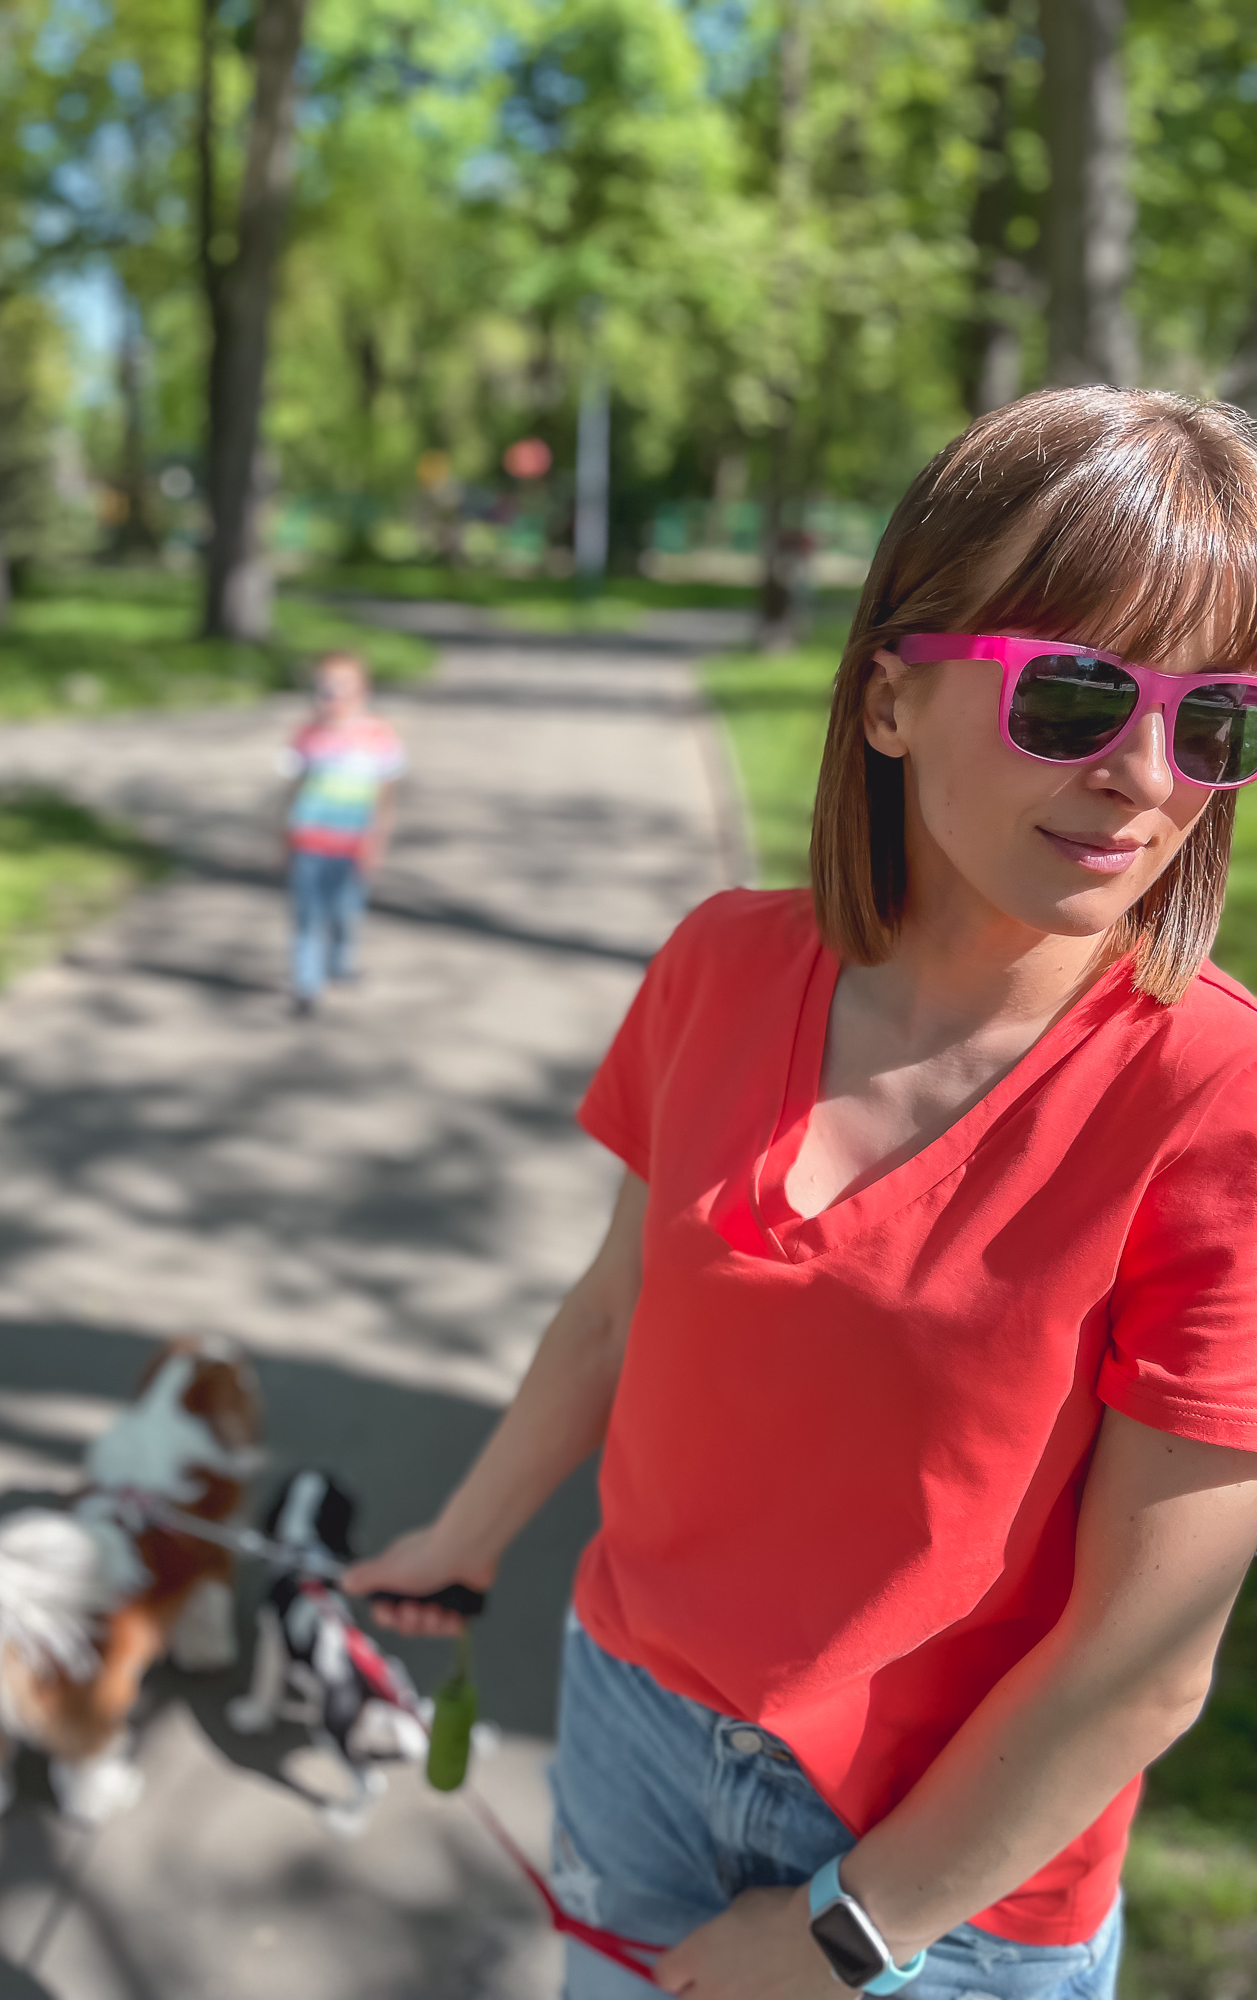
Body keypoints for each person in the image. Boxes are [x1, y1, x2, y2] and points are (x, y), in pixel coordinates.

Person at [345, 387, 1257, 2000]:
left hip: (949, 1876)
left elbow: (1141, 1664)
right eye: (1073, 693)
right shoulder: (718, 963)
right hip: (629, 1729)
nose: (1144, 774)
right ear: (891, 698)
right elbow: (617, 1311)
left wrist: (850, 1929)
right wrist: (459, 1542)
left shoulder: (1217, 1101)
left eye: (1217, 722)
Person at [279, 651, 405, 1015]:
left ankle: (340, 963)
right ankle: (306, 984)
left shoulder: (377, 735)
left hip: (353, 844)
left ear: (363, 692)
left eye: (342, 688)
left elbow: (385, 793)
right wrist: (282, 832)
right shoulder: (307, 735)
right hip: (308, 841)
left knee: (345, 912)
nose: (332, 697)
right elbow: (292, 786)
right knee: (307, 915)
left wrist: (378, 838)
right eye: (323, 689)